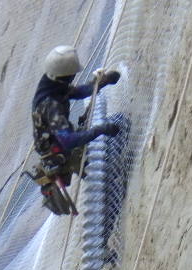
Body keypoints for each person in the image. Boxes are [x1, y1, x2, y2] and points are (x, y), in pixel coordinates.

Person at [31, 45, 124, 191]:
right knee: (106, 178)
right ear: (66, 75)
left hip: (61, 141)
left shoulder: (52, 85)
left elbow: (75, 92)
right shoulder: (51, 105)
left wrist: (101, 82)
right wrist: (100, 130)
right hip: (60, 153)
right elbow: (69, 141)